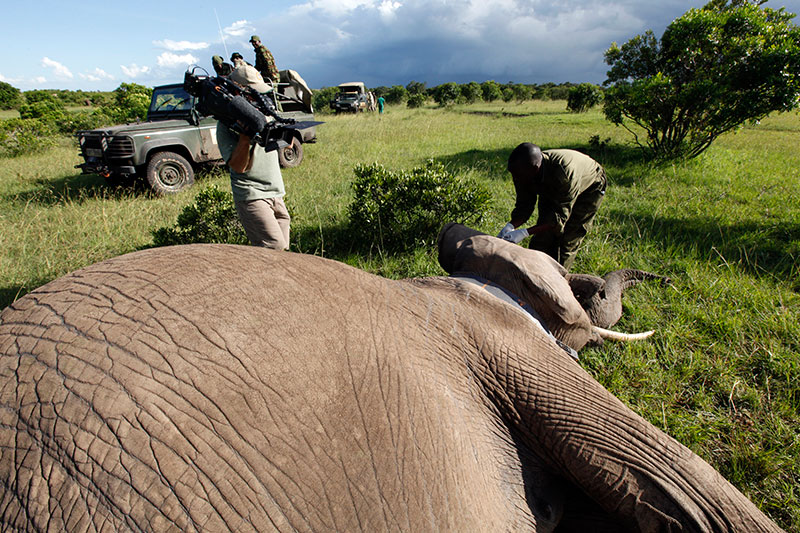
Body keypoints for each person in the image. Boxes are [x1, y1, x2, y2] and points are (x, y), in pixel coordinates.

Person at [215, 65, 290, 250]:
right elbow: (238, 167)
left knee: (284, 251)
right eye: (253, 93)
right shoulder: (226, 124)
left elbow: (282, 145)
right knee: (274, 247)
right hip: (252, 194)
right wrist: (245, 136)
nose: (257, 97)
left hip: (275, 192)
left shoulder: (264, 113)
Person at [497, 142, 606, 269]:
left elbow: (558, 219)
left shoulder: (563, 174)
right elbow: (524, 206)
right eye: (513, 174)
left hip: (590, 187)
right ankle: (534, 273)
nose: (515, 178)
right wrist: (511, 226)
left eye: (518, 176)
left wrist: (524, 233)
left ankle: (559, 279)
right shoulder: (522, 172)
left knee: (567, 240)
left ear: (535, 169)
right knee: (541, 240)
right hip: (552, 184)